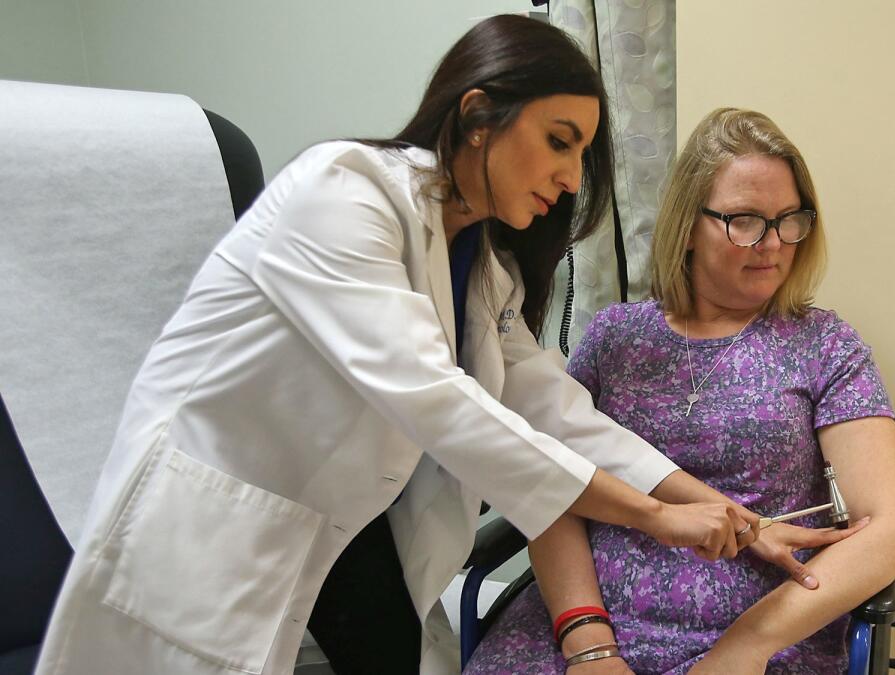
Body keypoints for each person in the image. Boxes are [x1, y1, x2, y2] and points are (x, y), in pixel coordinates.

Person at [33, 19, 781, 675]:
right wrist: (650, 517)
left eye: (581, 152)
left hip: (337, 529)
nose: (570, 176)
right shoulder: (344, 193)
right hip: (212, 528)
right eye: (559, 141)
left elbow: (554, 410)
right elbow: (438, 401)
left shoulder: (481, 266)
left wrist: (713, 504)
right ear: (478, 115)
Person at [464, 108, 895, 674]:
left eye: (789, 219)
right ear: (688, 226)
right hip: (590, 622)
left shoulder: (826, 346)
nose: (772, 243)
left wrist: (745, 648)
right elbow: (555, 484)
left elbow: (888, 534)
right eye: (745, 220)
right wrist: (588, 643)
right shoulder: (617, 338)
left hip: (759, 635)